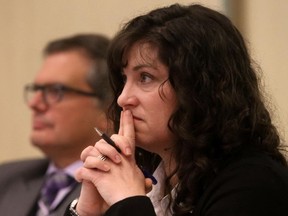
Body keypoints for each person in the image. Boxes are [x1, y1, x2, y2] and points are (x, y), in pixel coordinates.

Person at [65, 4, 288, 216]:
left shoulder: (253, 185)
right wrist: (86, 212)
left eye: (145, 77)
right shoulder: (156, 180)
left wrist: (128, 202)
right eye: (124, 79)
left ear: (199, 87)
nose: (123, 98)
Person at [0, 33, 112, 216]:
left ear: (107, 110)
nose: (34, 104)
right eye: (37, 90)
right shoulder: (6, 178)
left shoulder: (124, 191)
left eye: (55, 91)